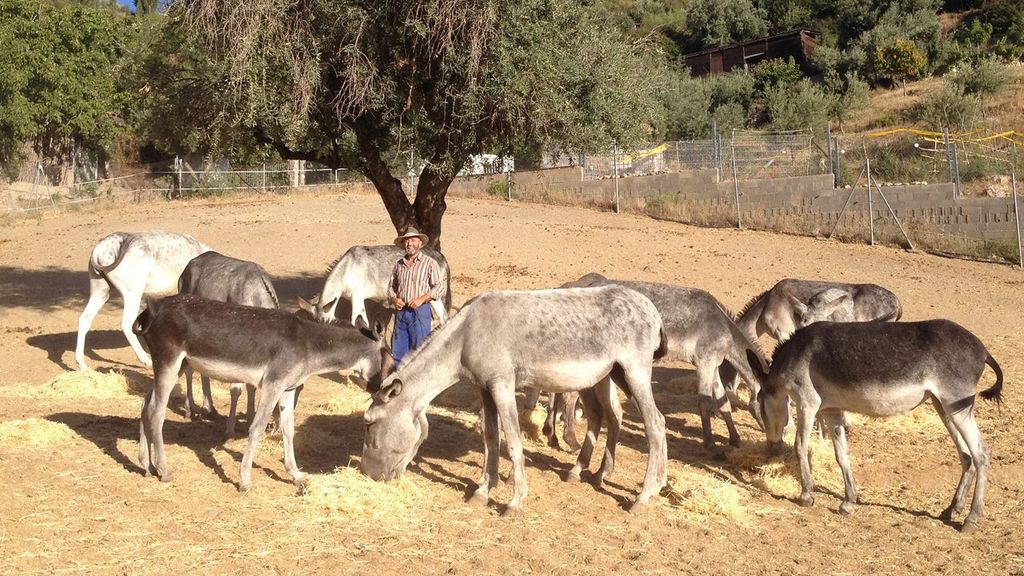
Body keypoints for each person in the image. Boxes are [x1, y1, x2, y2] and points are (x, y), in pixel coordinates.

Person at [387, 227, 445, 366]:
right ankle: (398, 382)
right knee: (398, 350)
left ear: (420, 243)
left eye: (413, 240)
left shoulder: (430, 263)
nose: (409, 244)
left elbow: (439, 287)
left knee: (419, 351)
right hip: (401, 312)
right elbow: (390, 288)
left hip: (420, 312)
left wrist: (422, 299)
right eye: (406, 241)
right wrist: (394, 299)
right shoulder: (399, 265)